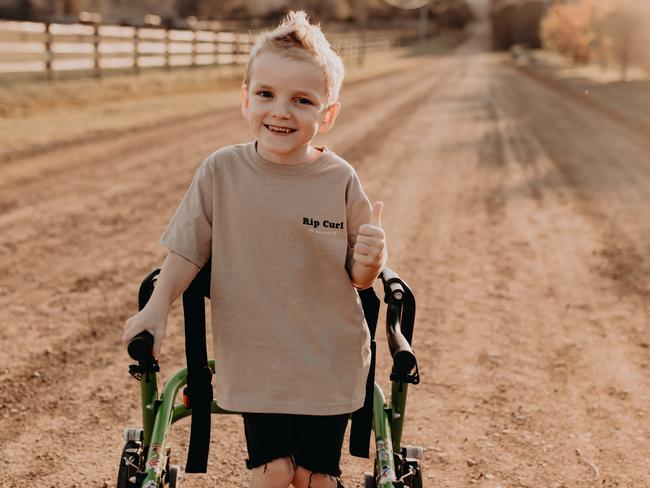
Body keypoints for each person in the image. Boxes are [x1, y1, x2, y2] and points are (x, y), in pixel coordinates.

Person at [122, 10, 387, 488]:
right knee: (272, 474)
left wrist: (368, 264)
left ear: (327, 114)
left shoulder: (340, 179)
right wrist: (156, 308)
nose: (281, 111)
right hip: (257, 356)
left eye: (302, 100)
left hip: (330, 355)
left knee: (314, 479)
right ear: (246, 100)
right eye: (266, 94)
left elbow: (359, 276)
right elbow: (186, 250)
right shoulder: (222, 172)